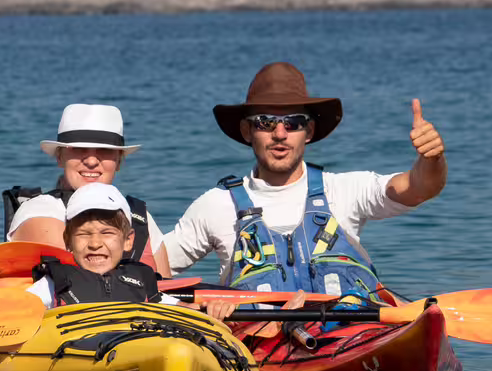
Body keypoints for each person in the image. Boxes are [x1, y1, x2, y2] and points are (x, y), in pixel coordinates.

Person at [161, 62, 447, 301]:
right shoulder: (216, 205)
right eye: (265, 122)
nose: (280, 133)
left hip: (351, 343)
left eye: (294, 122)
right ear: (247, 131)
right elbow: (150, 271)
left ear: (308, 131)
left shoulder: (344, 190)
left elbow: (420, 187)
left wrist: (432, 159)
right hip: (264, 353)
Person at [4, 103, 172, 275]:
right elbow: (76, 283)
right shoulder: (40, 211)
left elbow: (168, 287)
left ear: (119, 161)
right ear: (60, 157)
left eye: (104, 150)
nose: (91, 161)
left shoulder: (141, 218)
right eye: (78, 149)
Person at [25, 184, 171, 307]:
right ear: (68, 240)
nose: (95, 244)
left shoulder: (142, 279)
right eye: (84, 234)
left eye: (107, 233)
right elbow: (19, 308)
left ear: (128, 240)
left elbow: (172, 305)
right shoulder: (55, 284)